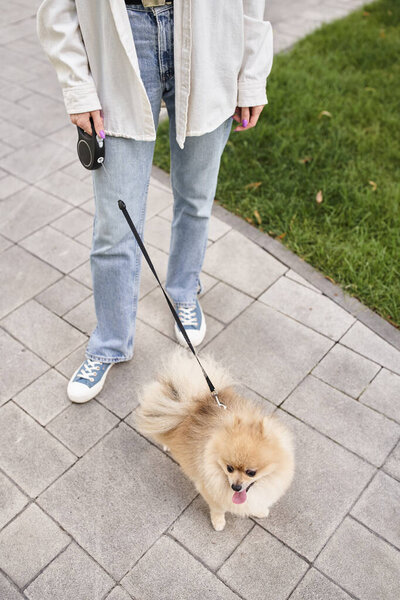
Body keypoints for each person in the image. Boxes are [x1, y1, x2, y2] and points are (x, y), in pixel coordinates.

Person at [36, 0, 273, 403]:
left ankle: (183, 290)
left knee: (196, 198)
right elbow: (56, 8)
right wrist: (77, 86)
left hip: (207, 38)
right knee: (115, 222)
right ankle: (110, 341)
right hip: (121, 35)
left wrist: (251, 75)